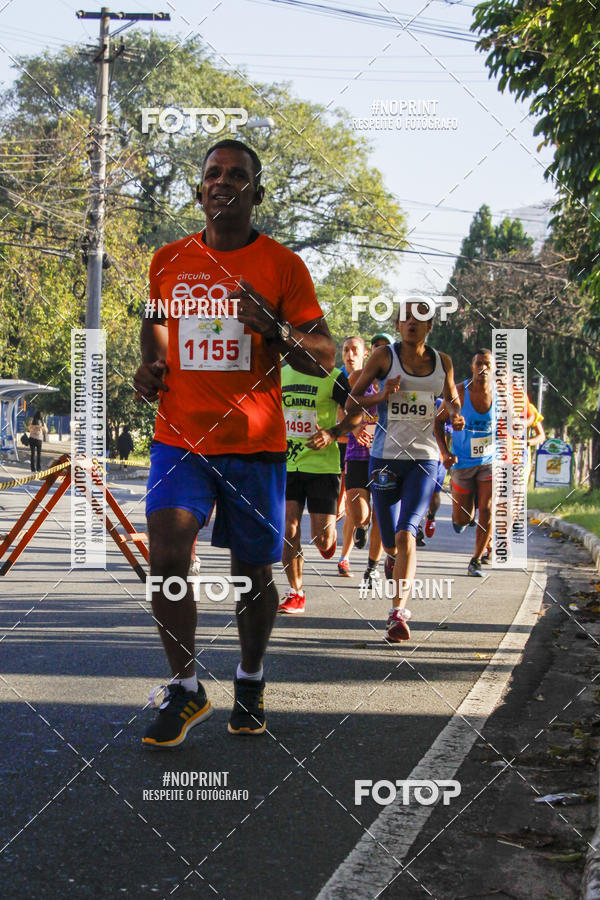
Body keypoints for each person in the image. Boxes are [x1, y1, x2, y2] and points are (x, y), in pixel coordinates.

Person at [133, 139, 335, 746]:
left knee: (252, 574)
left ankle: (250, 678)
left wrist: (273, 329)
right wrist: (150, 366)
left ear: (255, 193)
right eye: (213, 174)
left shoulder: (283, 267)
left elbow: (324, 355)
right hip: (180, 437)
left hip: (254, 443)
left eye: (237, 175)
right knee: (166, 553)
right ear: (199, 192)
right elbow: (153, 324)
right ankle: (186, 688)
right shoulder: (165, 261)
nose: (223, 182)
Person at [346, 302, 464, 642]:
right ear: (398, 325)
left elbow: (451, 399)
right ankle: (392, 559)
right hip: (384, 457)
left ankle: (397, 613)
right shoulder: (383, 358)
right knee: (389, 538)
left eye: (420, 319)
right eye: (406, 318)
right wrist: (382, 395)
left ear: (429, 327)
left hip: (424, 460)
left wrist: (454, 414)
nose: (412, 323)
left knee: (405, 532)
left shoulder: (443, 362)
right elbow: (353, 401)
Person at [279, 364, 361, 613]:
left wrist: (332, 433)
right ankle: (296, 592)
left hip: (323, 468)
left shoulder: (334, 377)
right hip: (287, 464)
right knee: (288, 526)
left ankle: (329, 537)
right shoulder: (280, 373)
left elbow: (355, 413)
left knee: (322, 540)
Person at [435, 349, 495, 577]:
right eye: (479, 363)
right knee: (464, 517)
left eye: (487, 364)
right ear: (472, 367)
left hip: (489, 461)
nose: (483, 368)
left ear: (494, 368)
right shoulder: (459, 391)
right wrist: (445, 452)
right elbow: (437, 421)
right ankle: (462, 518)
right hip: (462, 462)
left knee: (487, 509)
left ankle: (476, 560)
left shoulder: (502, 394)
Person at [338, 333, 391, 578]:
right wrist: (356, 428)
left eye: (386, 349)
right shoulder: (358, 378)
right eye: (378, 348)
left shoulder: (399, 381)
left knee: (382, 512)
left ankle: (372, 566)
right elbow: (342, 410)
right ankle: (362, 527)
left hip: (387, 455)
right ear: (372, 353)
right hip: (357, 453)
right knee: (359, 515)